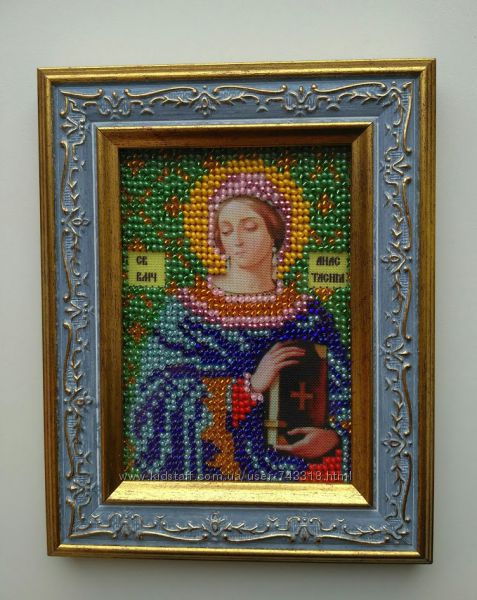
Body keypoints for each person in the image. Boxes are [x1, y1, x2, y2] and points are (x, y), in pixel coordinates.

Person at [128, 173, 350, 482]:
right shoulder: (186, 312)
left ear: (275, 233)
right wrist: (249, 387)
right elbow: (154, 397)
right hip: (215, 467)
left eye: (250, 227)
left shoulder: (308, 315)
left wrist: (333, 437)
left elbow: (345, 397)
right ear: (217, 240)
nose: (237, 239)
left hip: (295, 471)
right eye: (227, 230)